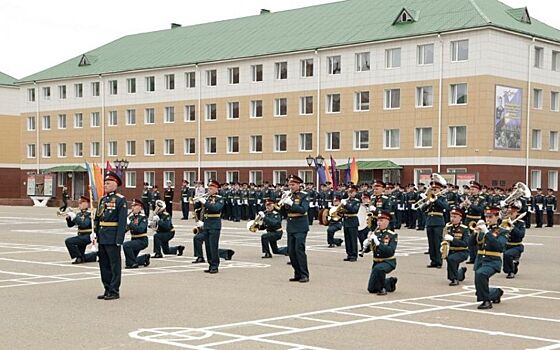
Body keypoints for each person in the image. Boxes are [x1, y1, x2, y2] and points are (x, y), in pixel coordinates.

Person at [93, 171, 127, 301]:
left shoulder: (120, 200)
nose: (105, 185)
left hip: (112, 237)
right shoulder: (103, 199)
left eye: (108, 183)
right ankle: (107, 288)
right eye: (105, 183)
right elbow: (98, 217)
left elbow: (122, 221)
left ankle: (114, 290)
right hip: (102, 236)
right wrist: (94, 232)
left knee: (114, 265)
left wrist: (119, 239)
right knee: (104, 265)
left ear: (115, 184)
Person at [472, 206, 507, 310]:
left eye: (490, 216)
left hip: (493, 261)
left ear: (497, 217)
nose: (488, 219)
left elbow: (499, 247)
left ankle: (487, 302)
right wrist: (475, 233)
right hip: (480, 260)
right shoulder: (481, 230)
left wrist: (487, 233)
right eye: (486, 217)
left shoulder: (502, 231)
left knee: (481, 274)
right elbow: (470, 244)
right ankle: (496, 293)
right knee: (479, 288)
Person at [282, 175, 310, 283]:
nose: (291, 187)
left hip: (300, 226)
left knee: (299, 250)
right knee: (291, 251)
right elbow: (284, 213)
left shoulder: (304, 196)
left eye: (293, 185)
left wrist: (291, 203)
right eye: (290, 185)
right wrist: (283, 203)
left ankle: (304, 274)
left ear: (299, 185)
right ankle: (297, 273)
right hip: (291, 226)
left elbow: (303, 210)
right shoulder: (290, 196)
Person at [193, 180, 224, 273]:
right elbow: (200, 210)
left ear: (216, 189)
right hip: (206, 224)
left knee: (213, 246)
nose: (209, 190)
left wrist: (205, 202)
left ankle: (215, 266)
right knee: (207, 246)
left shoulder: (220, 199)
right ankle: (210, 264)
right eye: (208, 188)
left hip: (214, 225)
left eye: (211, 188)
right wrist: (197, 201)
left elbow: (215, 208)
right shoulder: (207, 198)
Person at [364, 211, 398, 295]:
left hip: (388, 261)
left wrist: (378, 243)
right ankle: (389, 282)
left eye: (381, 221)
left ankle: (382, 289)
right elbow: (370, 249)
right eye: (378, 221)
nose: (379, 223)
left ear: (387, 222)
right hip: (376, 262)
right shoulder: (375, 233)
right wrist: (365, 245)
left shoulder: (392, 235)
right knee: (371, 289)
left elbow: (390, 251)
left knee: (379, 269)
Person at [420, 177, 449, 269]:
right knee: (431, 243)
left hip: (438, 222)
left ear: (440, 189)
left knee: (437, 243)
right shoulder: (429, 198)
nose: (433, 191)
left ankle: (439, 261)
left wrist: (436, 200)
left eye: (435, 189)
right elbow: (422, 209)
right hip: (429, 222)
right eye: (432, 189)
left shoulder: (442, 198)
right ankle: (433, 261)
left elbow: (446, 208)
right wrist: (428, 202)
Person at [64, 196, 97, 264]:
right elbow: (70, 225)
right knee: (81, 256)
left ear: (86, 204)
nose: (79, 204)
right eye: (79, 203)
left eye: (81, 203)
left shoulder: (90, 214)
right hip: (81, 235)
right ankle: (95, 255)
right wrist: (68, 218)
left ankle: (78, 258)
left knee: (69, 241)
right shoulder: (79, 214)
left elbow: (84, 224)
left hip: (87, 236)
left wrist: (75, 217)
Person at [443, 207, 470, 286]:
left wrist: (452, 239)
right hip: (451, 250)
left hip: (462, 251)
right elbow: (444, 240)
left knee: (452, 259)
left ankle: (454, 279)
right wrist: (443, 246)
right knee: (450, 259)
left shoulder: (464, 229)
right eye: (451, 216)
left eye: (455, 217)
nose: (452, 219)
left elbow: (465, 243)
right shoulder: (448, 228)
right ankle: (460, 273)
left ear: (460, 218)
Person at [123, 199, 150, 269]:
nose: (132, 208)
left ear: (140, 207)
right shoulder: (131, 218)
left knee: (126, 245)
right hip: (134, 240)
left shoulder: (143, 217)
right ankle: (144, 258)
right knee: (131, 258)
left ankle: (132, 264)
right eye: (132, 206)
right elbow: (125, 230)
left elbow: (141, 229)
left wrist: (129, 223)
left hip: (142, 240)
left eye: (135, 206)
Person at [502, 201, 526, 279]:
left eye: (512, 213)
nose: (510, 215)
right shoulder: (504, 222)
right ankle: (513, 265)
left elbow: (521, 235)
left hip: (517, 246)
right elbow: (498, 232)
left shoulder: (521, 223)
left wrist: (513, 227)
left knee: (507, 254)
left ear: (516, 213)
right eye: (509, 213)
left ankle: (511, 272)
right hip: (507, 244)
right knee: (506, 256)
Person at [341, 184, 361, 262]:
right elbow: (341, 210)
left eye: (351, 192)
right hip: (346, 221)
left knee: (353, 239)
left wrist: (346, 205)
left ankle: (354, 255)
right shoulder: (345, 200)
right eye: (349, 192)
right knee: (347, 239)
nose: (350, 193)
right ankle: (349, 254)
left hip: (353, 221)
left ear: (355, 193)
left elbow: (354, 210)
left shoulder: (357, 201)